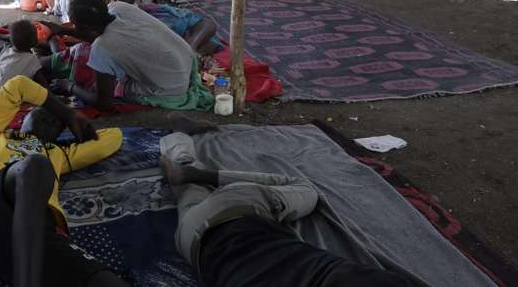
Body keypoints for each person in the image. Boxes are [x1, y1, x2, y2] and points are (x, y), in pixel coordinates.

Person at [160, 114, 421, 287]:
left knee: (303, 188)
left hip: (238, 210)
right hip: (193, 240)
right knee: (187, 189)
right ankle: (184, 157)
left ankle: (191, 165)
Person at [0, 75, 127, 287]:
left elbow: (113, 137)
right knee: (35, 166)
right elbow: (18, 84)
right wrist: (65, 113)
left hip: (25, 242)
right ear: (23, 119)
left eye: (56, 123)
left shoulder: (58, 153)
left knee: (106, 280)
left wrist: (81, 132)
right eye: (44, 112)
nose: (50, 118)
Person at [42, 0, 213, 111]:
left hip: (172, 88)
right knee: (87, 56)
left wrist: (69, 86)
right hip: (185, 62)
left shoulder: (101, 49)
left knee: (110, 84)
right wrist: (62, 31)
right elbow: (102, 34)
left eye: (74, 24)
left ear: (84, 26)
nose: (73, 27)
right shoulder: (119, 7)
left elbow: (104, 103)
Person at [112, 0, 219, 56]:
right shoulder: (119, 17)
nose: (118, 2)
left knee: (204, 31)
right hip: (167, 46)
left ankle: (190, 49)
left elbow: (207, 24)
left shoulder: (158, 10)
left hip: (183, 38)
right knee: (208, 43)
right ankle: (190, 51)